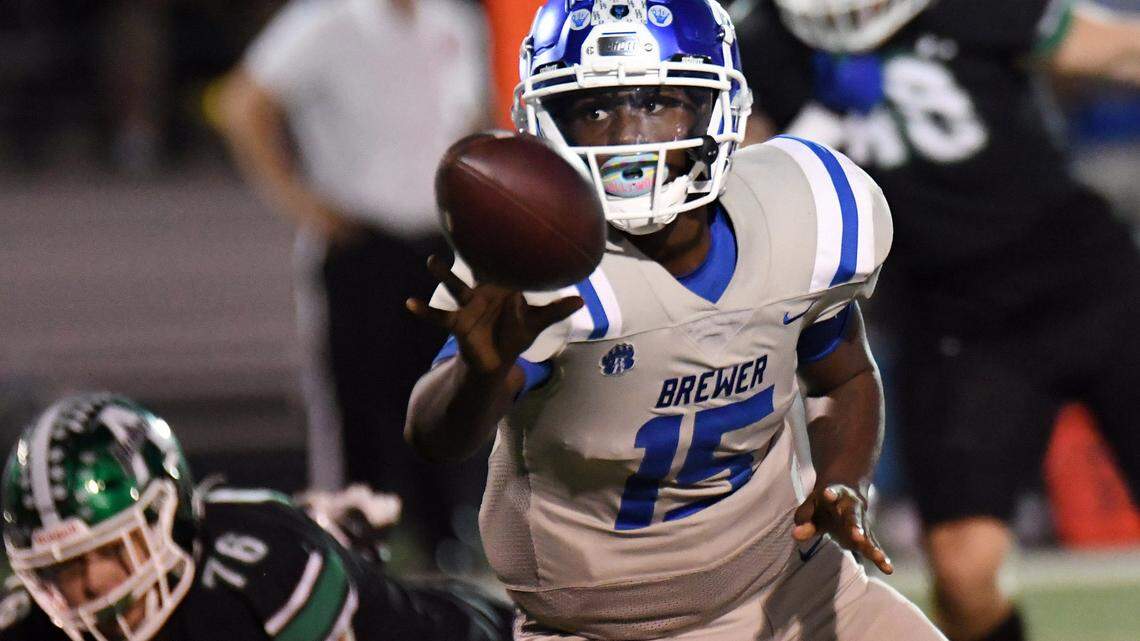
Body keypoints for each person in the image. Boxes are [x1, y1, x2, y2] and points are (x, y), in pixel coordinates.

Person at [405, 1, 946, 639]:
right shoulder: (540, 265)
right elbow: (437, 438)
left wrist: (842, 483)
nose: (627, 136)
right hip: (604, 628)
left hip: (789, 584)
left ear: (717, 108)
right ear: (545, 124)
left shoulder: (801, 211)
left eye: (657, 101)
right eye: (594, 109)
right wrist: (477, 375)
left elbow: (843, 377)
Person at [732, 1, 1140, 640]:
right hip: (957, 325)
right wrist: (811, 125)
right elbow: (731, 190)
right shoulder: (762, 43)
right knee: (963, 576)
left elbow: (1117, 49)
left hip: (1090, 283)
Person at [216, 0, 489, 567]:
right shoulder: (326, 21)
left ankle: (446, 542)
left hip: (439, 245)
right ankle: (351, 550)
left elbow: (470, 121)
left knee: (446, 396)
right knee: (356, 408)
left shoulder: (455, 21)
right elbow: (241, 103)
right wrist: (298, 200)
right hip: (362, 245)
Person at [0, 392, 513, 641]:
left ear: (168, 518)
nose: (91, 588)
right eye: (64, 568)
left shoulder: (259, 583)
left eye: (110, 551)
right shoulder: (30, 623)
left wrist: (320, 532)